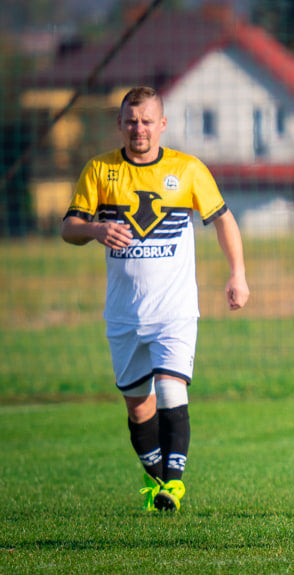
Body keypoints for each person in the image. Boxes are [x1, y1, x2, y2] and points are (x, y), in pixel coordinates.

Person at [61, 86, 250, 512]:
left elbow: (224, 222)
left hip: (175, 310)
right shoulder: (100, 171)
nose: (139, 129)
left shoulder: (187, 170)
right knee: (137, 406)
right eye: (131, 121)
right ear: (120, 124)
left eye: (147, 121)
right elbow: (68, 227)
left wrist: (237, 274)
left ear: (162, 124)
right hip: (124, 314)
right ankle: (156, 481)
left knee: (170, 390)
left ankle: (174, 485)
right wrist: (96, 230)